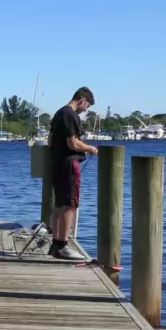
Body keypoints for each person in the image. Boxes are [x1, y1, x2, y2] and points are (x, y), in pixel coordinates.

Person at [48, 87, 98, 259]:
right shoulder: (70, 115)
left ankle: (55, 244)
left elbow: (50, 140)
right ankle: (63, 245)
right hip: (69, 164)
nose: (86, 110)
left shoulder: (58, 113)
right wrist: (90, 148)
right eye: (88, 106)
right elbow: (73, 143)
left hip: (57, 163)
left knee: (60, 204)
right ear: (82, 100)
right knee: (71, 205)